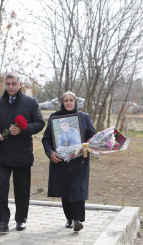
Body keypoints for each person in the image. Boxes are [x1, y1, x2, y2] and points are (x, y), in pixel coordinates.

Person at [0, 72, 45, 233]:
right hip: (1, 154)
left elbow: (39, 123)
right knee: (2, 187)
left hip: (22, 153)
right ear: (5, 85)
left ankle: (21, 220)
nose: (11, 87)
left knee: (22, 189)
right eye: (8, 84)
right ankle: (2, 221)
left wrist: (23, 129)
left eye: (14, 84)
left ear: (20, 85)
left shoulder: (30, 103)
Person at [42, 91, 96, 232]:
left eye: (71, 100)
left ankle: (78, 219)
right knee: (64, 190)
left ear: (75, 102)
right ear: (62, 102)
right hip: (61, 160)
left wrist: (88, 146)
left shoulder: (84, 117)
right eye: (66, 100)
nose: (68, 102)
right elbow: (46, 138)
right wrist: (50, 153)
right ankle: (69, 218)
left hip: (79, 161)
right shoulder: (55, 118)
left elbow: (93, 136)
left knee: (77, 189)